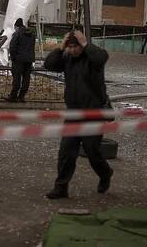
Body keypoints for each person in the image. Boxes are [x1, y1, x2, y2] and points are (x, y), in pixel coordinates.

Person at [43, 30, 113, 199]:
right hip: (73, 113)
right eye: (70, 47)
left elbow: (102, 58)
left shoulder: (93, 57)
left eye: (76, 47)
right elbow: (49, 65)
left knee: (92, 151)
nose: (73, 50)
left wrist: (86, 44)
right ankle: (61, 187)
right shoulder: (67, 58)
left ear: (82, 45)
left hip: (93, 112)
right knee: (66, 151)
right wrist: (60, 48)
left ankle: (105, 173)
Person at [6, 18, 36, 102]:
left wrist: (13, 58)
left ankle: (13, 96)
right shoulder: (32, 34)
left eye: (15, 27)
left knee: (17, 79)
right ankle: (22, 96)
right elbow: (32, 46)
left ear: (16, 26)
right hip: (29, 60)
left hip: (18, 60)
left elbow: (12, 47)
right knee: (26, 79)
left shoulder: (17, 34)